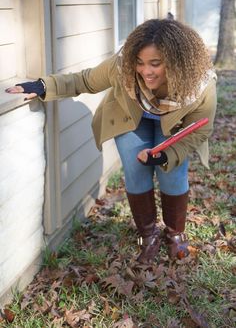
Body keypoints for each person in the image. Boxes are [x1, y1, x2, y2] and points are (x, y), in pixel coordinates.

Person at [6, 19, 217, 264]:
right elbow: (85, 80)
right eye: (140, 62)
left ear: (175, 61)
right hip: (131, 120)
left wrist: (166, 155)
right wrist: (44, 86)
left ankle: (175, 236)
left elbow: (199, 130)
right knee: (136, 172)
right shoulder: (122, 67)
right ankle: (146, 237)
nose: (145, 71)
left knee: (173, 174)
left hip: (173, 128)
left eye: (155, 64)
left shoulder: (199, 84)